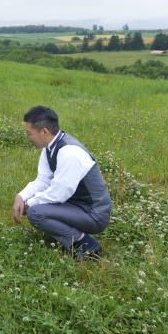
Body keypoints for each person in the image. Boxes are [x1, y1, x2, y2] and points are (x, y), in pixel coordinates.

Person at [12, 106, 111, 260]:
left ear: (44, 132)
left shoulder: (69, 152)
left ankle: (88, 245)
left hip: (94, 215)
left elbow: (59, 193)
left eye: (29, 133)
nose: (27, 137)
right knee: (36, 208)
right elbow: (43, 180)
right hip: (77, 207)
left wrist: (28, 204)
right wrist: (21, 196)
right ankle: (73, 237)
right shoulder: (50, 147)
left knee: (35, 213)